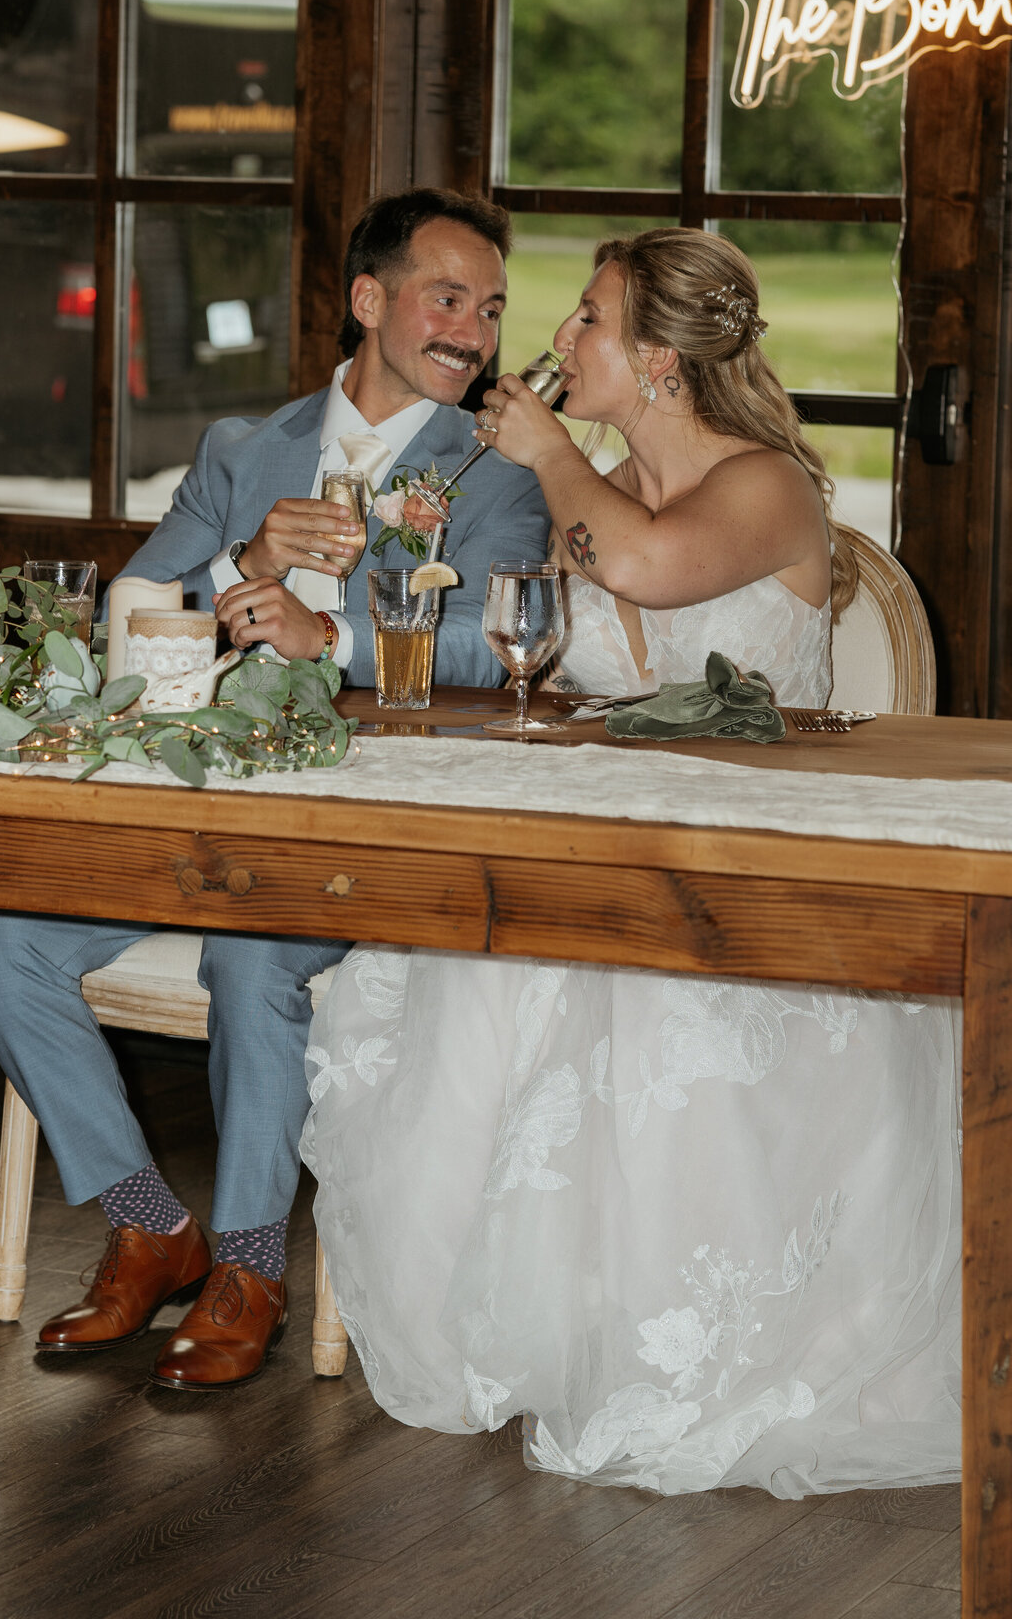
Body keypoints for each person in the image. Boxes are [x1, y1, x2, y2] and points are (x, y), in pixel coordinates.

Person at [302, 227, 962, 1495]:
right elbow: (541, 633)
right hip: (608, 839)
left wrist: (549, 456)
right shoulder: (594, 478)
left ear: (657, 359)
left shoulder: (765, 484)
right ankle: (541, 1327)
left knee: (640, 991)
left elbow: (646, 572)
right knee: (473, 949)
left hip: (757, 868)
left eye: (586, 318)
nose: (556, 341)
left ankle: (699, 1343)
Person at [0, 187, 550, 1391]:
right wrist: (246, 561)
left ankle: (246, 1267)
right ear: (369, 302)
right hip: (200, 814)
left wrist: (325, 643)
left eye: (489, 309)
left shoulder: (495, 472)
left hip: (368, 828)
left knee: (249, 957)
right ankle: (146, 1223)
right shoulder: (242, 449)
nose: (474, 332)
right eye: (448, 298)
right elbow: (122, 624)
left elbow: (497, 650)